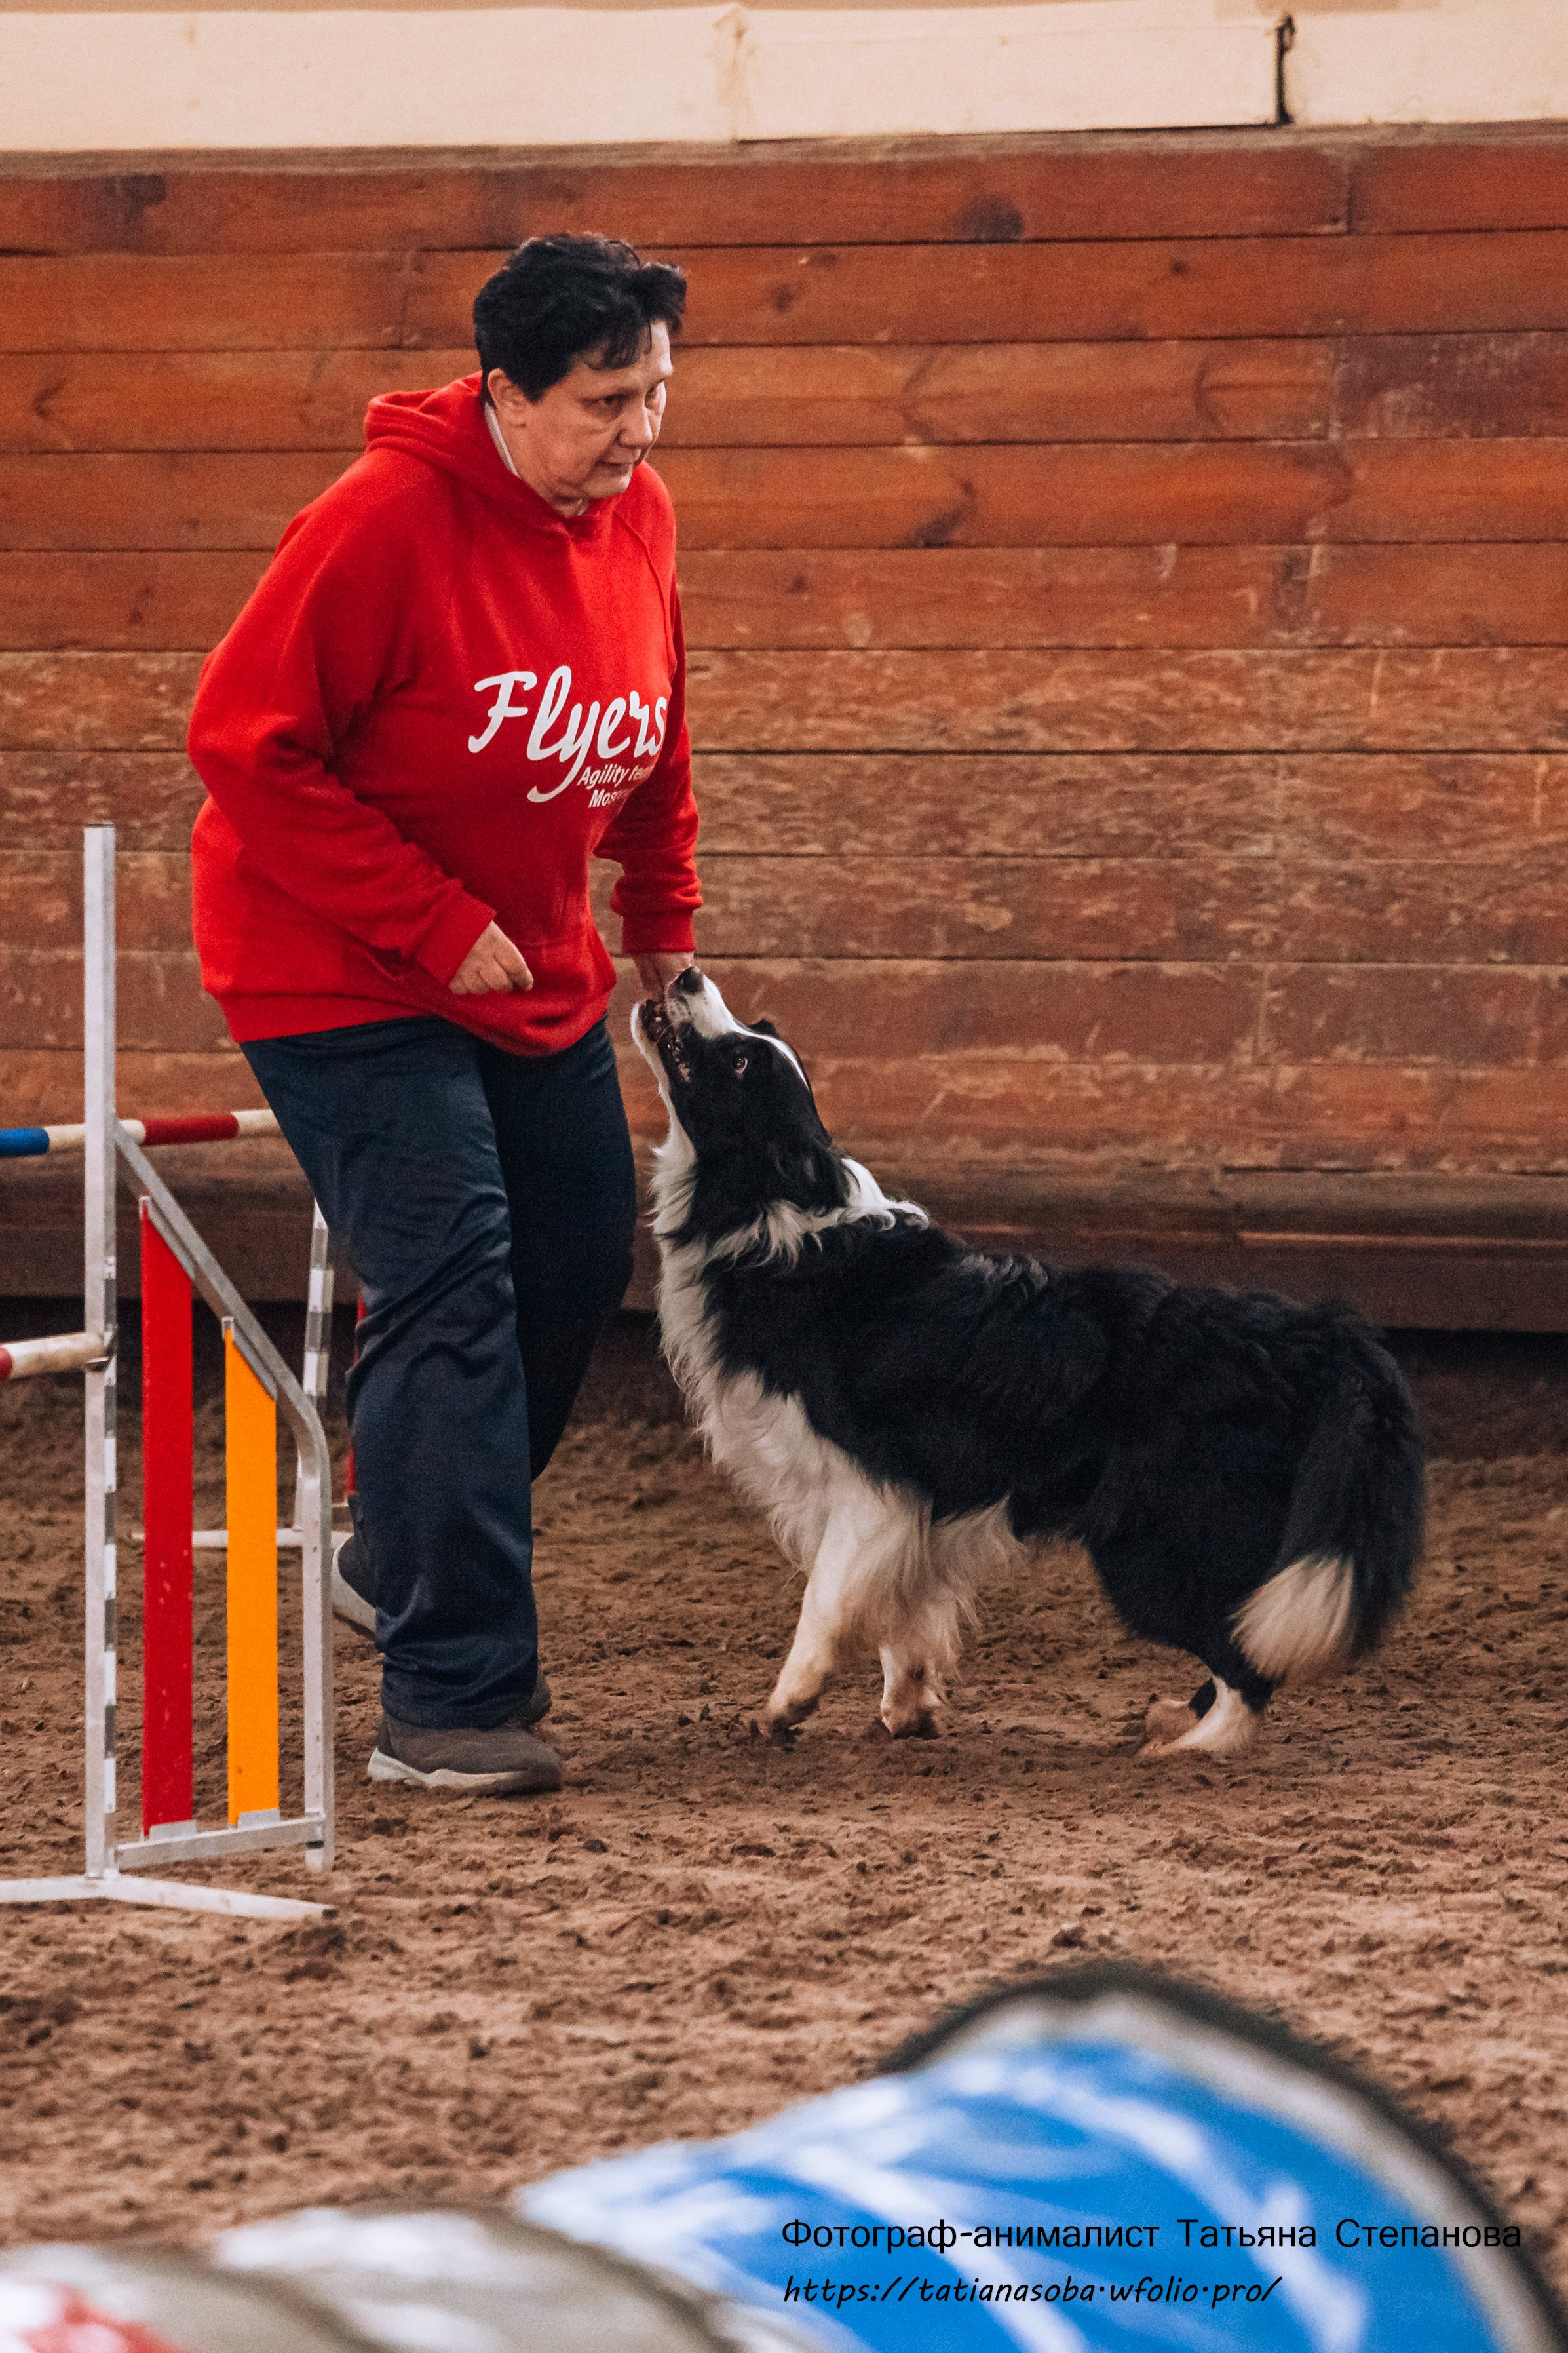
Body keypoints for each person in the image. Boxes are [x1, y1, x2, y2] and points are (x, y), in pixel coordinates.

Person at [186, 235, 699, 1797]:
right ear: (501, 395)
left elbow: (656, 729)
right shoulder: (379, 526)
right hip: (335, 970)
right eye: (606, 399)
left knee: (572, 1255)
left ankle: (394, 1544)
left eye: (658, 395)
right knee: (455, 1278)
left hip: (524, 967)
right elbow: (241, 742)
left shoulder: (638, 518)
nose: (638, 431)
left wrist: (660, 930)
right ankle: (452, 1696)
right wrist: (426, 918)